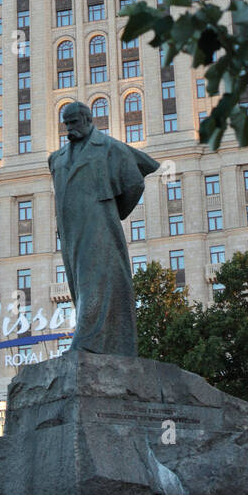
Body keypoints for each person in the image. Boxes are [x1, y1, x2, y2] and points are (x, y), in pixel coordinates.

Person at [48, 102, 159, 356]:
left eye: (74, 122)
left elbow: (134, 183)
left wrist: (110, 212)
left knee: (94, 283)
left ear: (88, 119)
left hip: (99, 227)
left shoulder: (109, 147)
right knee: (79, 286)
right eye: (66, 123)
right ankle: (102, 344)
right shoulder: (56, 158)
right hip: (70, 231)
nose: (70, 128)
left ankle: (85, 343)